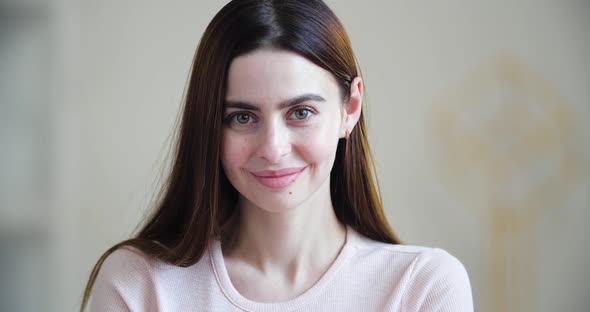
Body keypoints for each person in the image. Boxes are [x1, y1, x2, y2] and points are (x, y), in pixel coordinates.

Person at [81, 0, 473, 311]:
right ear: (209, 125)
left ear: (349, 108)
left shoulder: (422, 287)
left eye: (300, 113)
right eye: (242, 117)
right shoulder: (140, 283)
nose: (272, 148)